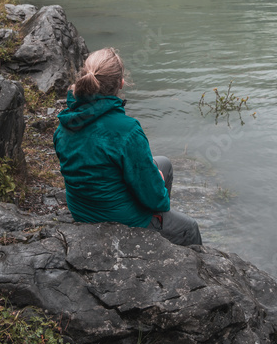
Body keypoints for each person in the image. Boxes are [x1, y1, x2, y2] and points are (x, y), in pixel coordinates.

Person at [54, 47, 202, 246]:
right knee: (189, 227)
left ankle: (158, 225)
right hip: (118, 219)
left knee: (164, 164)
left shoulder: (64, 124)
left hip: (81, 210)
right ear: (121, 83)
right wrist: (156, 189)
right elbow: (155, 197)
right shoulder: (127, 130)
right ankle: (161, 241)